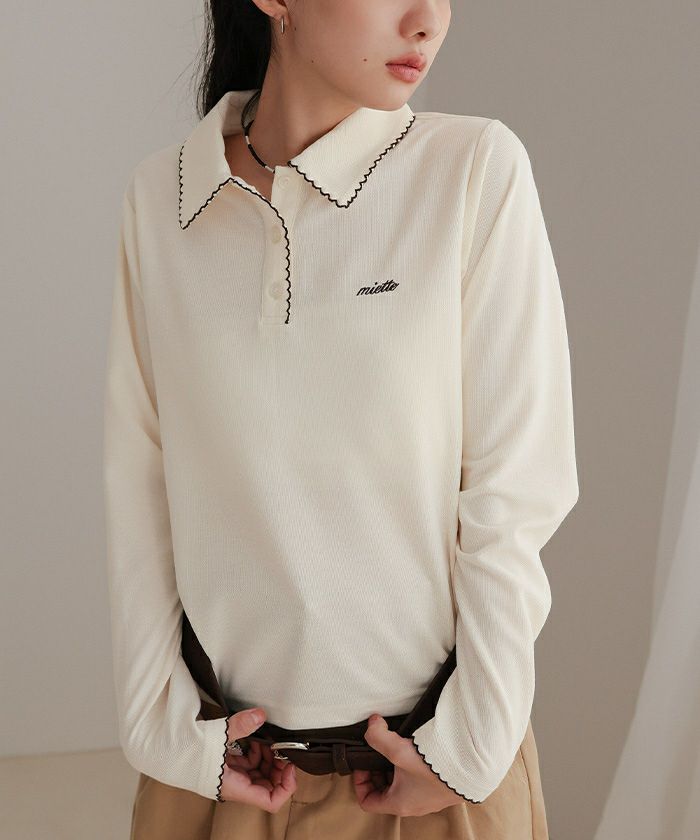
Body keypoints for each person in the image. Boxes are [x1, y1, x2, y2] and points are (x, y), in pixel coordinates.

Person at [102, 1, 579, 838]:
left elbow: (515, 493)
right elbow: (140, 484)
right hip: (223, 780)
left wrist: (471, 749)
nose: (428, 20)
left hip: (432, 779)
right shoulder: (162, 198)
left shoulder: (473, 169)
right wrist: (161, 732)